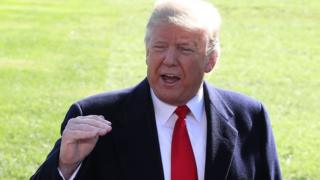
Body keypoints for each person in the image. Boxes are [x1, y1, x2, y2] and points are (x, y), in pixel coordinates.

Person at [31, 0, 282, 179]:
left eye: (185, 49)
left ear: (211, 60)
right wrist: (64, 167)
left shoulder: (250, 117)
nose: (169, 60)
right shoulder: (93, 116)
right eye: (160, 46)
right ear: (147, 51)